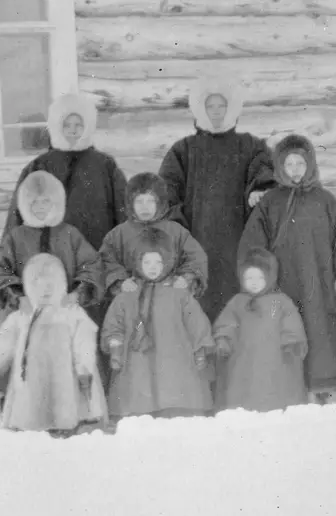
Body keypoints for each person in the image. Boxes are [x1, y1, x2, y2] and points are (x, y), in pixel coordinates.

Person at [238, 134, 336, 402]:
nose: (295, 169)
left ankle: (325, 384)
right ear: (280, 168)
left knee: (323, 331)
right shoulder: (270, 203)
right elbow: (254, 243)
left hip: (321, 281)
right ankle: (289, 386)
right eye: (289, 164)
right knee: (287, 330)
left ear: (310, 164)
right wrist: (259, 278)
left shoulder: (326, 201)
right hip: (284, 282)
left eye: (300, 163)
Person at [158, 86, 276, 322]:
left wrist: (259, 190)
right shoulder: (184, 149)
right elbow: (167, 189)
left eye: (221, 105)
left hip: (237, 239)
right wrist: (179, 230)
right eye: (210, 106)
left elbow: (264, 170)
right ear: (201, 110)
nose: (216, 112)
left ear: (230, 108)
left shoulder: (250, 145)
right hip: (198, 236)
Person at [0, 253, 108, 435]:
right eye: (38, 283)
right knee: (31, 407)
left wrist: (83, 368)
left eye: (51, 284)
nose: (46, 290)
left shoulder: (71, 313)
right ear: (29, 286)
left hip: (65, 379)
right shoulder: (23, 316)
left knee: (64, 405)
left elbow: (84, 342)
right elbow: (4, 344)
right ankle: (31, 433)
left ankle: (66, 430)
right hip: (31, 378)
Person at [100, 233, 216, 422]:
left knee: (177, 407)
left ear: (167, 263)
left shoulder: (179, 295)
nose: (152, 268)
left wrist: (200, 349)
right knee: (137, 404)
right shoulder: (126, 295)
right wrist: (115, 348)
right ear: (138, 263)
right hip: (136, 366)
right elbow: (114, 324)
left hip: (175, 363)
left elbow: (196, 322)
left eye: (158, 263)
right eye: (147, 263)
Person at [1, 93, 128, 256]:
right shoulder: (40, 166)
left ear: (88, 126)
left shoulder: (105, 165)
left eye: (78, 125)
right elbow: (16, 216)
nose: (73, 131)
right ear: (57, 126)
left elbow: (123, 212)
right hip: (51, 258)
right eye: (67, 125)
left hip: (97, 254)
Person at [0, 170, 101, 330]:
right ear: (25, 204)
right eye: (34, 202)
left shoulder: (69, 234)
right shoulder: (16, 237)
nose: (40, 207)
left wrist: (77, 294)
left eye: (45, 201)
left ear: (56, 202)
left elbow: (91, 264)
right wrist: (17, 297)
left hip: (63, 309)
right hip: (26, 311)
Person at [212, 247, 308, 413]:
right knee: (243, 385)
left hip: (276, 358)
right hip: (244, 359)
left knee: (275, 385)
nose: (254, 282)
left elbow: (291, 323)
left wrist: (292, 342)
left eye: (260, 277)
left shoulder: (281, 302)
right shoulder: (237, 302)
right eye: (249, 277)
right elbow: (226, 323)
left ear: (270, 277)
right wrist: (223, 340)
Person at [99, 173, 208, 304]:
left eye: (150, 201)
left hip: (169, 301)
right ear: (130, 203)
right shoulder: (117, 234)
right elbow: (106, 260)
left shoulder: (176, 231)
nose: (145, 207)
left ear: (160, 202)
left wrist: (186, 279)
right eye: (139, 201)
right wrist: (120, 282)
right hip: (131, 302)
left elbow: (196, 257)